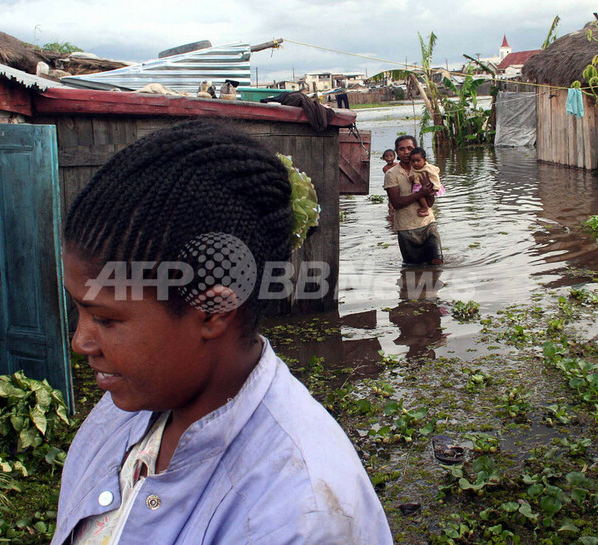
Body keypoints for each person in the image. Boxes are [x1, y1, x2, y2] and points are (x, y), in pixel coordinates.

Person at [51, 120, 394, 545]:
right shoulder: (125, 407)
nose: (79, 342)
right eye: (79, 311)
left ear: (212, 309)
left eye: (105, 319)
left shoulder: (298, 518)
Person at [383, 135, 443, 265]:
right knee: (412, 270)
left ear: (416, 150)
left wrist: (428, 192)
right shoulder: (391, 174)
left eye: (410, 148)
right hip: (406, 229)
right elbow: (396, 203)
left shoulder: (426, 170)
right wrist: (420, 193)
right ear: (397, 152)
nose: (406, 152)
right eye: (401, 149)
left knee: (437, 263)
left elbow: (430, 203)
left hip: (428, 224)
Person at [408, 147, 444, 217]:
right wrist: (411, 177)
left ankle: (425, 207)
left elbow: (435, 176)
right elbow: (411, 173)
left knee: (422, 195)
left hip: (429, 185)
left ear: (424, 160)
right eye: (413, 161)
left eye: (418, 161)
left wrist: (436, 186)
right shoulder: (413, 167)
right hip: (418, 185)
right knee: (419, 195)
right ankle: (425, 207)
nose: (415, 163)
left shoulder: (428, 168)